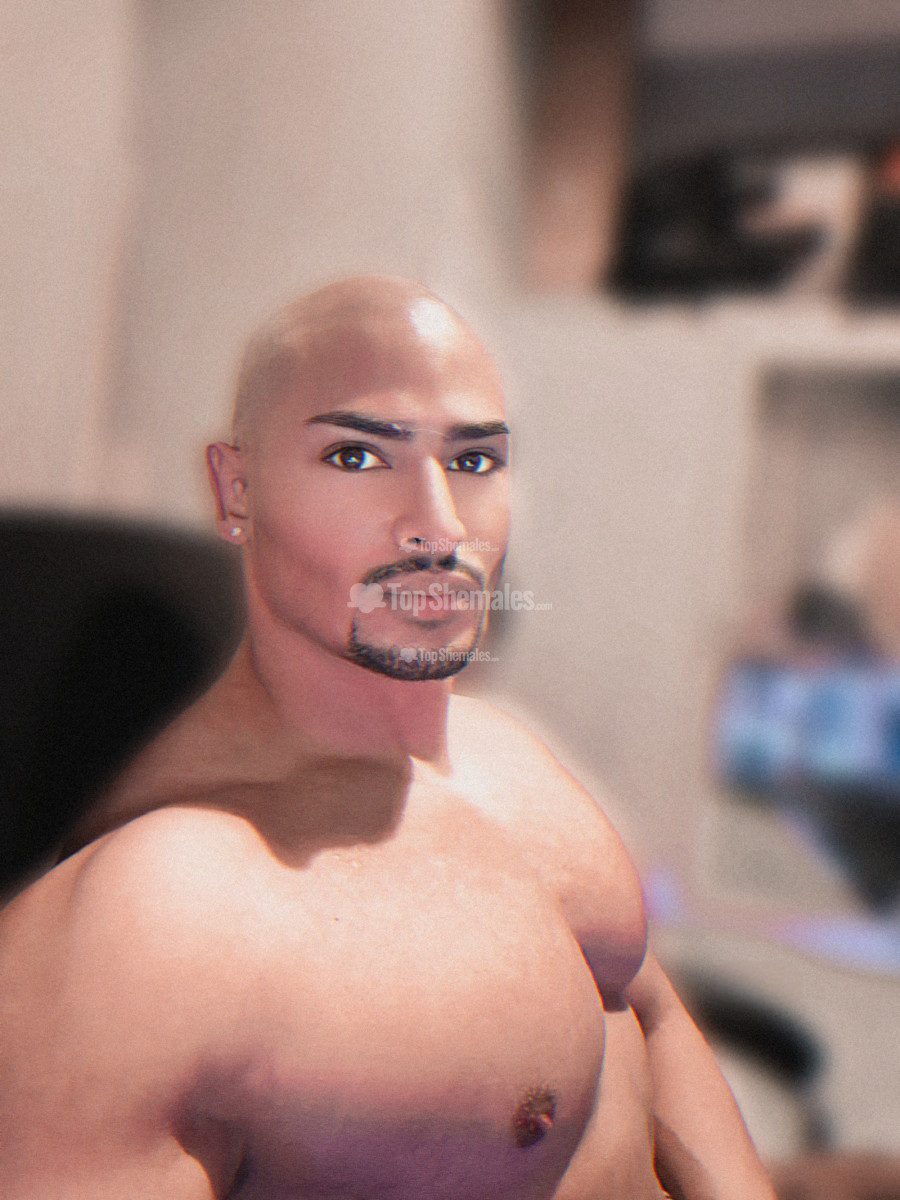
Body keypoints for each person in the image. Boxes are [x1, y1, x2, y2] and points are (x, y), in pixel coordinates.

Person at [0, 277, 775, 1199]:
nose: (439, 526)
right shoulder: (150, 930)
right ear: (237, 488)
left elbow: (651, 1013)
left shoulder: (510, 760)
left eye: (474, 460)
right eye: (359, 457)